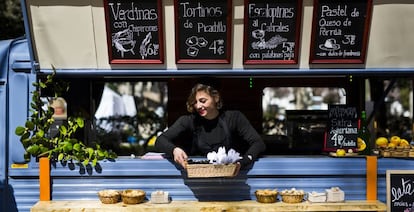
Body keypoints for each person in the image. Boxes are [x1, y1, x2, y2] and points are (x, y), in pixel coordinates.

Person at [155, 79, 266, 169]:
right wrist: (174, 150)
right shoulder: (188, 121)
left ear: (216, 98)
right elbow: (160, 140)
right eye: (195, 102)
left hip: (231, 178)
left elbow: (258, 143)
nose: (198, 106)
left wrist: (242, 162)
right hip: (198, 177)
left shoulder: (234, 118)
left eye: (203, 101)